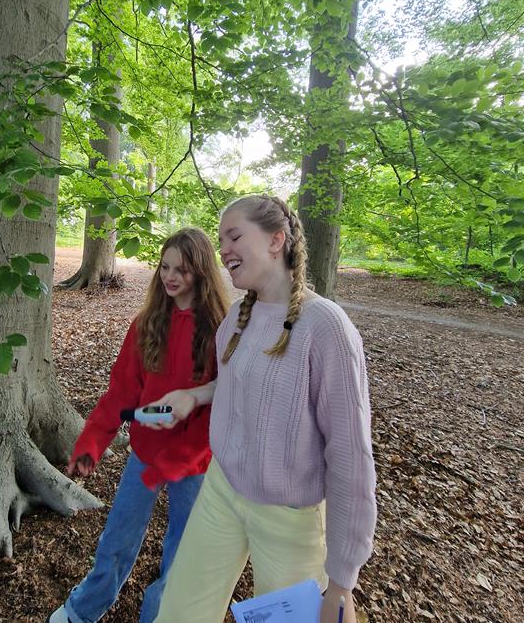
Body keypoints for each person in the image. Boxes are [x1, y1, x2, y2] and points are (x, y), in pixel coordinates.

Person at [148, 195, 377, 623]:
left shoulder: (326, 327)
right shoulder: (237, 316)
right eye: (220, 241)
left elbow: (350, 457)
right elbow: (242, 385)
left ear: (277, 240)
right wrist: (194, 396)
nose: (224, 250)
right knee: (178, 613)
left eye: (234, 236)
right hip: (221, 490)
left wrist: (341, 584)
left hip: (289, 517)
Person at [48, 227, 229, 623]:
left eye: (181, 269)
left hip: (194, 462)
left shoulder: (220, 329)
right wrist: (91, 443)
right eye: (165, 267)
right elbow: (121, 393)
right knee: (117, 537)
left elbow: (226, 399)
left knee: (183, 551)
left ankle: (163, 615)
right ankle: (84, 608)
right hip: (146, 454)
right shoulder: (147, 323)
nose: (170, 276)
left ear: (201, 272)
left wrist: (188, 452)